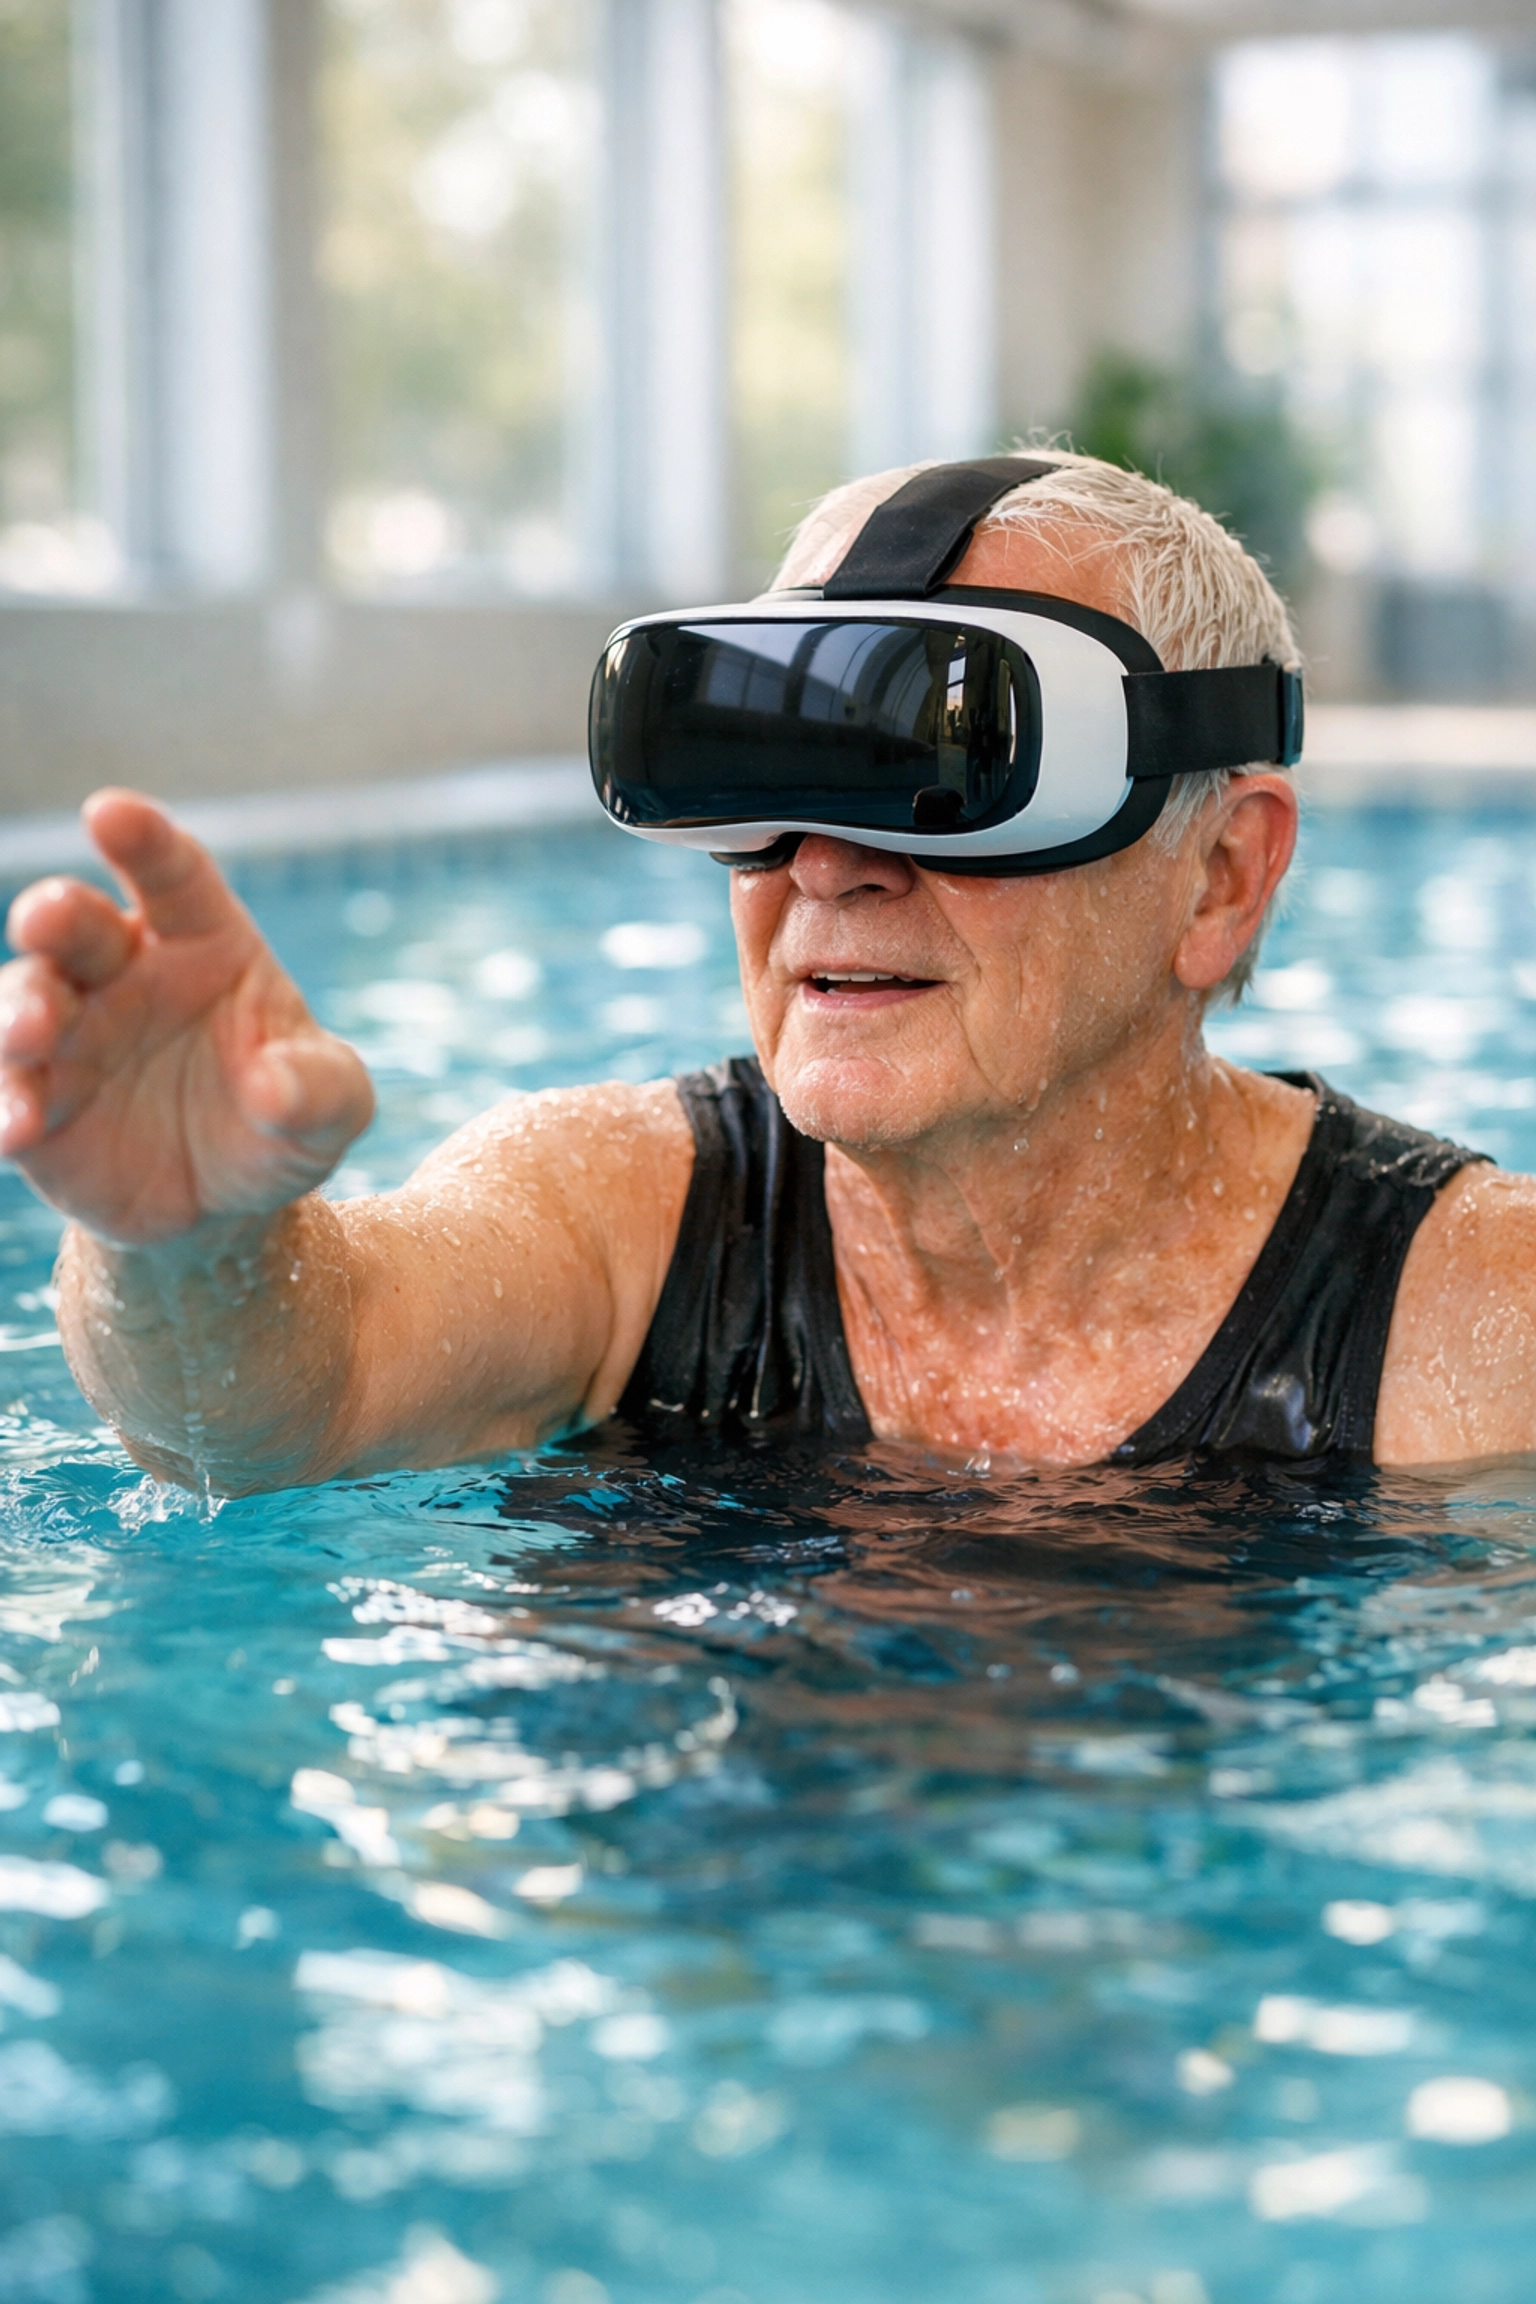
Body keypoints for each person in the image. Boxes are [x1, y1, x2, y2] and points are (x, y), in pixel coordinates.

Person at [2, 452, 1533, 1494]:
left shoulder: (1474, 1320)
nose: (826, 867)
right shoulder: (624, 1212)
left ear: (1222, 877)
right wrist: (182, 1243)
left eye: (950, 773)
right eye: (760, 771)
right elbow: (279, 1411)